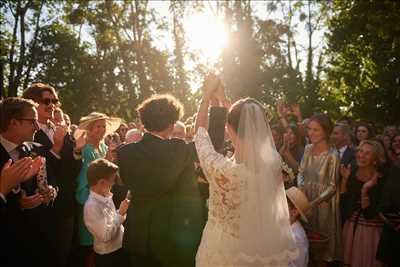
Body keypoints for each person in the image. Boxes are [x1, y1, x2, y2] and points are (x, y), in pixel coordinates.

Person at [194, 75, 297, 267]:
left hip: (223, 250)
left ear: (228, 128)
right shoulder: (273, 163)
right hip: (262, 246)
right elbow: (241, 124)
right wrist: (225, 103)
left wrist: (207, 97)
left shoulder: (221, 169)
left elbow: (200, 132)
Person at [117, 89, 227, 266]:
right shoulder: (178, 150)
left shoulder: (124, 152)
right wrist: (215, 105)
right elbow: (211, 144)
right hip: (172, 241)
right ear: (171, 123)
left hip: (138, 238)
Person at [23, 83, 84, 267]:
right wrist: (56, 147)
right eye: (46, 101)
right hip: (42, 210)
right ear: (32, 103)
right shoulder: (29, 132)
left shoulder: (61, 129)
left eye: (54, 101)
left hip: (65, 203)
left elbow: (72, 171)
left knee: (66, 255)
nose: (52, 105)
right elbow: (37, 170)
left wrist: (77, 152)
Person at [0, 97, 55, 267]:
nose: (38, 127)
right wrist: (18, 204)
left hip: (36, 242)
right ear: (14, 122)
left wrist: (50, 193)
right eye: (32, 122)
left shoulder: (36, 150)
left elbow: (48, 183)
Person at [75, 112, 121, 267]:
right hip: (88, 193)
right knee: (91, 244)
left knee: (105, 233)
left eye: (103, 126)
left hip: (104, 195)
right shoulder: (86, 149)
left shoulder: (103, 146)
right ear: (90, 129)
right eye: (98, 126)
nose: (101, 129)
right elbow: (87, 175)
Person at [297, 114, 342, 265]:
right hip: (305, 200)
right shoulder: (308, 148)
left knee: (321, 247)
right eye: (309, 129)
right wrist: (301, 188)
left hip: (323, 205)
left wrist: (313, 203)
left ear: (326, 131)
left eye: (316, 130)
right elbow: (300, 172)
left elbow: (332, 187)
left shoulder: (333, 155)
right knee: (305, 242)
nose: (311, 133)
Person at [340, 140, 386, 267]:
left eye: (367, 153)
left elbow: (369, 214)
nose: (362, 155)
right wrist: (344, 179)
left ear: (375, 159)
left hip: (370, 230)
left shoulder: (381, 179)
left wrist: (365, 190)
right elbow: (343, 201)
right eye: (360, 151)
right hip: (350, 225)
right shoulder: (352, 170)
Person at [84, 159, 130, 267]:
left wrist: (121, 212)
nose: (114, 183)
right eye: (112, 180)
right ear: (101, 182)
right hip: (108, 256)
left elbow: (112, 220)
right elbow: (105, 235)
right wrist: (120, 214)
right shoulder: (91, 206)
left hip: (119, 248)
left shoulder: (106, 196)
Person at [286, 187, 310, 267]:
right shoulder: (287, 227)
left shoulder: (297, 237)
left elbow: (299, 264)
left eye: (283, 204)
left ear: (295, 212)